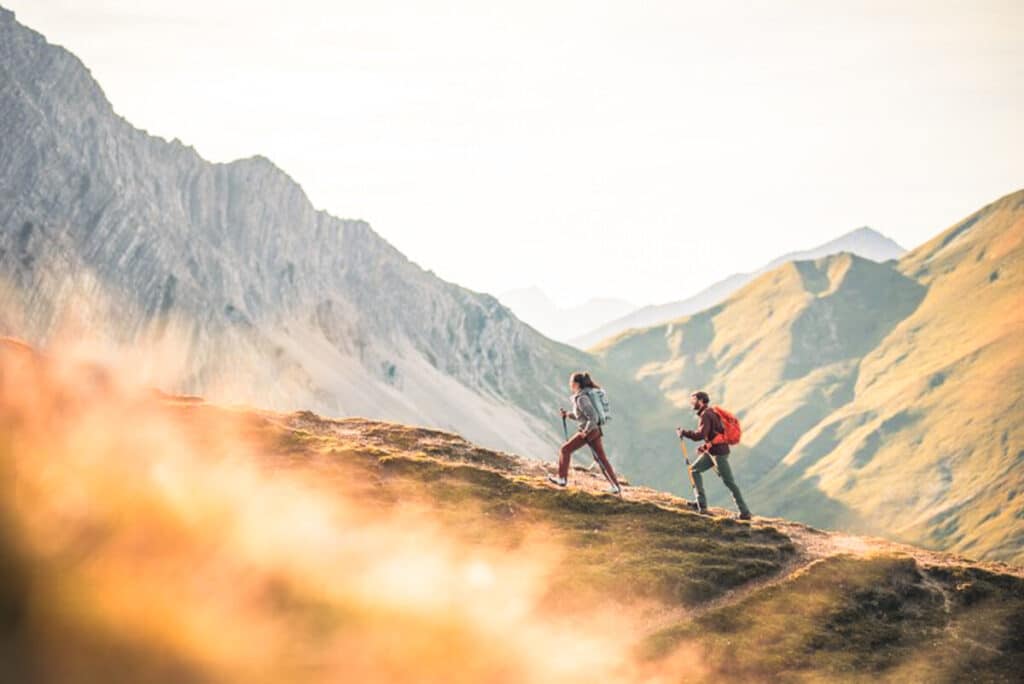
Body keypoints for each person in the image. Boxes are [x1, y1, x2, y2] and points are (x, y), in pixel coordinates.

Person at [677, 391, 752, 520]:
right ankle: (701, 504)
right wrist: (706, 446)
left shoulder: (706, 415)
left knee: (729, 482)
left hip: (719, 454)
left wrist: (684, 432)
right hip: (713, 451)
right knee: (694, 470)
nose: (691, 403)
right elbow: (714, 434)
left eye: (693, 400)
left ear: (700, 401)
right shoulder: (710, 412)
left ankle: (744, 513)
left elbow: (700, 435)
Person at [548, 372, 622, 495]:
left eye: (571, 382)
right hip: (595, 431)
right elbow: (581, 416)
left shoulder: (582, 398)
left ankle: (562, 479)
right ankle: (615, 486)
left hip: (589, 432)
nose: (570, 385)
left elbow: (592, 417)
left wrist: (585, 431)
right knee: (601, 459)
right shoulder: (584, 395)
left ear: (576, 384)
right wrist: (567, 414)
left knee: (565, 450)